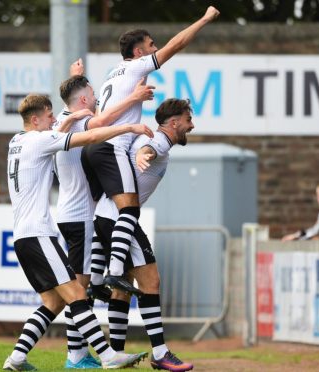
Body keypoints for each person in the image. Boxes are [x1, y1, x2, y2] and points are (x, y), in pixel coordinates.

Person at [2, 94, 153, 371]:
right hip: (39, 235)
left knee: (52, 302)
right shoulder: (39, 140)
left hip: (24, 236)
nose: (53, 121)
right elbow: (89, 138)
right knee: (77, 294)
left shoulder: (18, 141)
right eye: (49, 117)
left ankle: (16, 359)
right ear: (35, 120)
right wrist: (129, 127)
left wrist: (70, 118)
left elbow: (51, 137)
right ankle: (108, 356)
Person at [81, 6, 220, 293]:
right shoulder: (137, 66)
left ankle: (95, 280)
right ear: (138, 52)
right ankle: (114, 271)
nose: (155, 48)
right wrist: (205, 19)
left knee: (105, 211)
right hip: (111, 146)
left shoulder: (112, 73)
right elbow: (176, 44)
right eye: (150, 45)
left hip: (93, 146)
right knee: (129, 210)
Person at [55, 74, 153, 368]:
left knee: (81, 289)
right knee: (77, 291)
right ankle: (76, 355)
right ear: (83, 99)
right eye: (93, 94)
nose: (98, 99)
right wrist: (133, 107)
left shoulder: (65, 118)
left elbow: (95, 117)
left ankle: (80, 351)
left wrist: (75, 75)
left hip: (73, 215)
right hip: (80, 217)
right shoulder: (77, 120)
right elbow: (100, 126)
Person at [89, 98, 195, 371]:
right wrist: (142, 154)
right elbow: (148, 149)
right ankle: (160, 353)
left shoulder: (158, 142)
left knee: (122, 288)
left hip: (104, 215)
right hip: (120, 217)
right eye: (187, 120)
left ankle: (116, 353)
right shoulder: (158, 141)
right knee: (151, 281)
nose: (191, 125)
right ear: (174, 123)